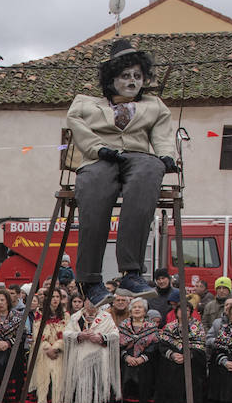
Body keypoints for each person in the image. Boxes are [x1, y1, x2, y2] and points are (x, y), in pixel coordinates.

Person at [65, 39, 176, 306]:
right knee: (93, 193)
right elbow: (76, 124)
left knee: (149, 172)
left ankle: (131, 272)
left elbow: (162, 135)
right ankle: (90, 280)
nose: (132, 81)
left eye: (137, 76)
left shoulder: (155, 105)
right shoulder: (85, 104)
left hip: (138, 155)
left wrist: (166, 156)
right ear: (112, 78)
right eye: (125, 75)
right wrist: (97, 148)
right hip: (100, 157)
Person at [62, 297, 120, 403]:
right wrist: (79, 335)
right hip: (81, 359)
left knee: (102, 391)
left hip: (100, 359)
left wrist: (101, 338)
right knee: (82, 390)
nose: (91, 304)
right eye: (89, 301)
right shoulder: (76, 317)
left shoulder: (106, 317)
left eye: (95, 302)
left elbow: (115, 334)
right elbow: (66, 333)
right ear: (84, 302)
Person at [151, 300, 206, 403]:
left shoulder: (197, 326)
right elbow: (162, 345)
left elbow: (200, 346)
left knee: (188, 395)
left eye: (187, 310)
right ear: (176, 312)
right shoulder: (170, 327)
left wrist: (187, 356)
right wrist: (172, 354)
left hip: (190, 368)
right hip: (171, 368)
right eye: (181, 309)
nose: (183, 312)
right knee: (171, 395)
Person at [25, 290, 66, 403]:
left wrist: (57, 347)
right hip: (42, 356)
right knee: (41, 385)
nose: (54, 299)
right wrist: (47, 348)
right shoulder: (39, 314)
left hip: (58, 356)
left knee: (53, 388)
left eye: (57, 297)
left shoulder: (65, 316)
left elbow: (66, 334)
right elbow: (37, 334)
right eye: (52, 297)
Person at [118, 296, 159, 403]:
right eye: (134, 307)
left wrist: (142, 358)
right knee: (125, 393)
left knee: (142, 393)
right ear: (130, 310)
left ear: (145, 310)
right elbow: (118, 345)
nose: (137, 309)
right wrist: (127, 357)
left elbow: (154, 346)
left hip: (144, 365)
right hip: (126, 364)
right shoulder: (124, 325)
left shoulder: (151, 326)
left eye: (139, 307)